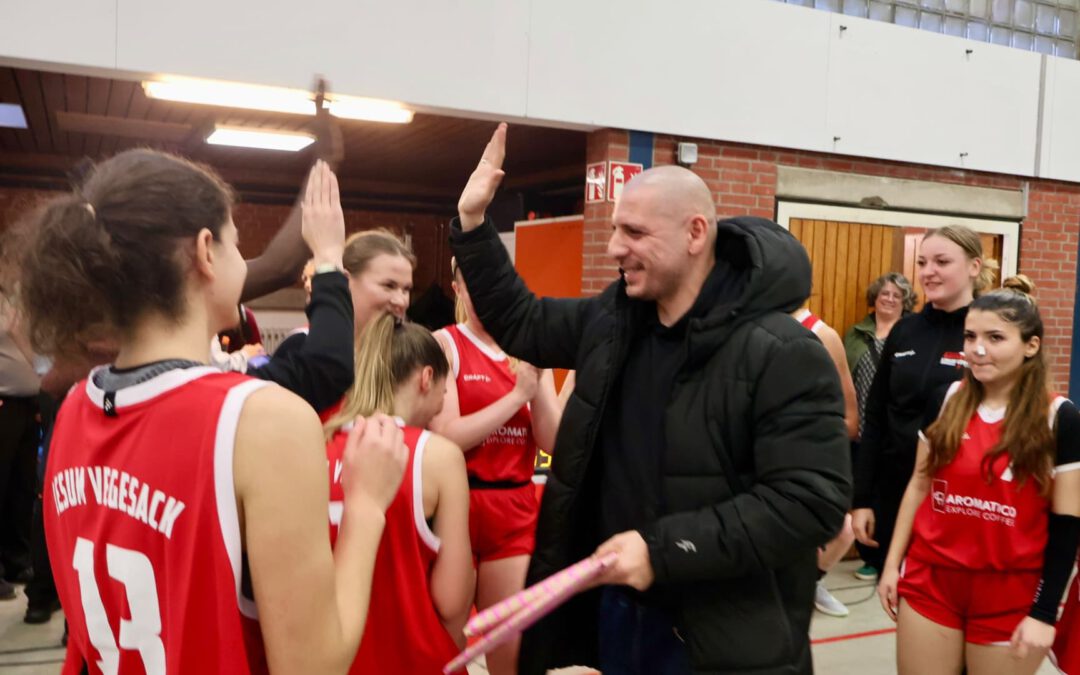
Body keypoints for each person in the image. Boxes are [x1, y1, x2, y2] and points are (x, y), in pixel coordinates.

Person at [450, 124, 850, 674]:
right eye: (616, 229)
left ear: (695, 233)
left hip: (720, 635)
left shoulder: (781, 352)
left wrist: (664, 549)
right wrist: (473, 223)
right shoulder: (614, 322)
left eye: (634, 232)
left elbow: (809, 503)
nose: (615, 247)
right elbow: (522, 320)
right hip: (621, 613)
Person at [14, 148, 407, 673]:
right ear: (205, 251)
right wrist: (366, 506)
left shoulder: (73, 409)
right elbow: (312, 666)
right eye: (236, 242)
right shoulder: (264, 422)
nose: (242, 258)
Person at [877, 276, 1080, 675]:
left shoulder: (1061, 418)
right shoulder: (946, 399)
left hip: (1011, 593)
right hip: (931, 581)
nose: (978, 349)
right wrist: (891, 564)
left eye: (995, 338)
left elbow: (1068, 520)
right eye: (970, 337)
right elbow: (919, 485)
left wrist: (1043, 612)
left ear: (1031, 346)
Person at [430, 258, 559, 675]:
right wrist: (517, 396)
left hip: (513, 509)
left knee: (512, 647)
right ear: (458, 290)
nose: (486, 295)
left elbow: (553, 441)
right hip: (458, 505)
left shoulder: (529, 347)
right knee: (448, 644)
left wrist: (537, 387)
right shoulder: (445, 344)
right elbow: (447, 436)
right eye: (475, 286)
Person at [325, 314, 473, 674]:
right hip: (414, 658)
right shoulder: (438, 457)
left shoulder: (316, 443)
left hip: (331, 660)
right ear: (427, 378)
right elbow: (452, 601)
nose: (442, 403)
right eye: (444, 390)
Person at [852, 227, 996, 576]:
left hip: (959, 499)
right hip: (895, 491)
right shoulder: (905, 330)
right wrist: (862, 499)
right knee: (896, 590)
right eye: (922, 262)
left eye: (941, 262)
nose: (928, 272)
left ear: (974, 267)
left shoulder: (990, 333)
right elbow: (875, 415)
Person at [843, 272, 916, 580]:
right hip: (861, 427)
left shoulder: (911, 334)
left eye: (896, 296)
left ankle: (896, 556)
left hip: (896, 432)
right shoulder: (856, 334)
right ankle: (870, 557)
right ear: (874, 298)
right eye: (884, 293)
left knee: (893, 496)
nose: (889, 299)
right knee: (863, 492)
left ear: (905, 302)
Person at [791, 308, 858, 618]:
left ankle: (811, 582)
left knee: (844, 529)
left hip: (807, 456)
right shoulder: (748, 324)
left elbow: (851, 419)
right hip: (759, 458)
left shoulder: (822, 334)